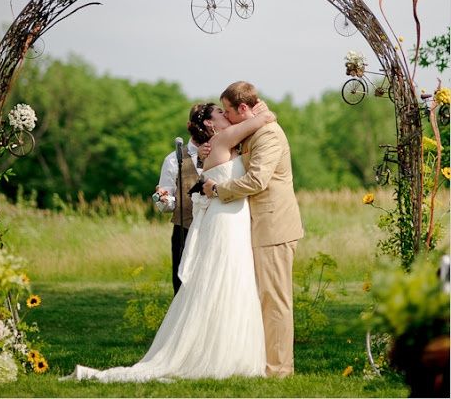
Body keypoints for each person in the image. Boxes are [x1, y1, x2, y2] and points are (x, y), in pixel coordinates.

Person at [59, 100, 276, 383]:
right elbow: (169, 198)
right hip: (188, 226)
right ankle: (196, 345)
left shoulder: (231, 142)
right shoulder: (176, 158)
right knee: (190, 288)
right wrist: (164, 199)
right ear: (210, 123)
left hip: (219, 222)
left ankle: (216, 343)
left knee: (220, 282)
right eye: (220, 113)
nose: (225, 115)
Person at [203, 81, 304, 378]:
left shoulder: (269, 135)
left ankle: (279, 369)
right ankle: (263, 361)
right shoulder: (254, 129)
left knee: (275, 300)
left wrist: (218, 190)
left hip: (274, 226)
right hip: (258, 226)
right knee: (262, 298)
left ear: (243, 108)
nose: (225, 115)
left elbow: (257, 181)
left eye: (228, 111)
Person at [154, 105, 210, 295]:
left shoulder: (224, 153)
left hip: (214, 228)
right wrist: (163, 200)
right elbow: (169, 205)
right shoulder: (172, 159)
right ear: (190, 125)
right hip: (184, 232)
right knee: (183, 287)